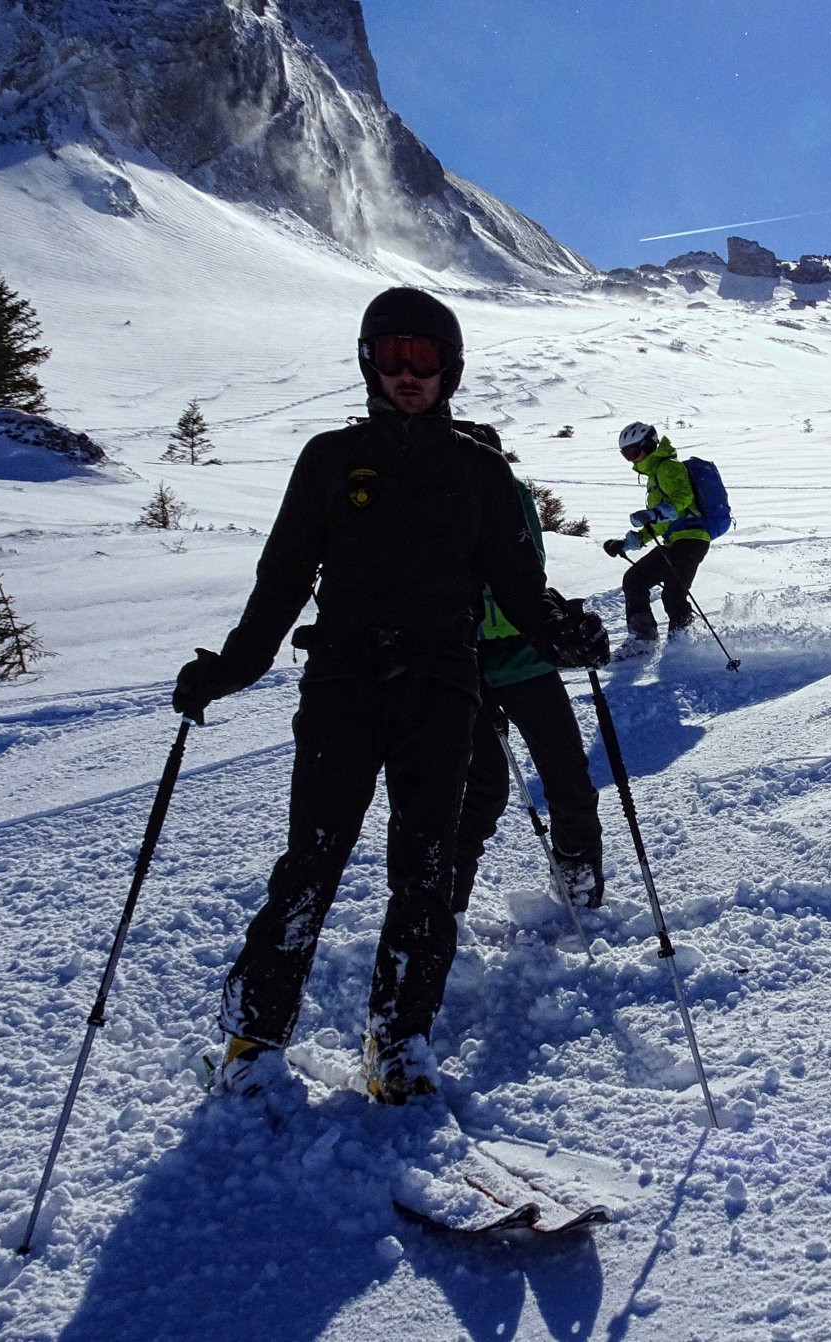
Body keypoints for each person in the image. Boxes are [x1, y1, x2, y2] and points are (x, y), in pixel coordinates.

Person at [171, 287, 607, 1104]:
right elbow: (280, 585)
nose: (408, 373)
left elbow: (520, 589)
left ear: (450, 369)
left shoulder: (479, 472)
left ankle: (399, 1042)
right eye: (391, 356)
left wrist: (563, 632)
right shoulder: (330, 460)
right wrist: (227, 670)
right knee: (310, 864)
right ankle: (250, 1042)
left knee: (427, 874)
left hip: (441, 691)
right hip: (341, 686)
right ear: (369, 363)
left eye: (424, 357)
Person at [456, 478, 606, 912]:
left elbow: (528, 567)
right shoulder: (429, 486)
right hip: (464, 659)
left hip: (522, 651)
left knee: (561, 776)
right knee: (488, 785)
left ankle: (577, 883)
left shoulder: (507, 488)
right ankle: (442, 898)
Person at [602, 421, 711, 646]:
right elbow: (661, 522)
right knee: (634, 580)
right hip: (675, 541)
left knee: (673, 594)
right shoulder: (655, 475)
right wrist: (628, 543)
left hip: (691, 539)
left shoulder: (668, 467)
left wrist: (654, 513)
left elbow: (683, 498)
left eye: (633, 452)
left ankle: (682, 646)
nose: (631, 459)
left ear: (648, 445)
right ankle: (643, 640)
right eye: (625, 454)